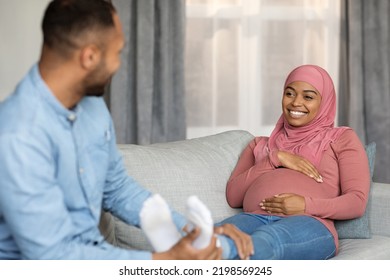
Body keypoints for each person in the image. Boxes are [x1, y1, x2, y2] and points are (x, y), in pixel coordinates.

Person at [0, 0, 253, 260]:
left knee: (231, 254)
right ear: (89, 57)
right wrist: (164, 262)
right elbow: (54, 257)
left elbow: (117, 187)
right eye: (117, 52)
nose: (119, 64)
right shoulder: (17, 136)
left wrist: (193, 233)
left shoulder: (93, 108)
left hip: (97, 256)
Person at [215, 64, 371, 259]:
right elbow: (233, 196)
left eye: (308, 97)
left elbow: (356, 202)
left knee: (264, 241)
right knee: (210, 239)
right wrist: (275, 158)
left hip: (310, 222)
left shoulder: (341, 139)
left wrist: (305, 205)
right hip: (254, 217)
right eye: (289, 94)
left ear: (325, 102)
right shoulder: (259, 145)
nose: (296, 103)